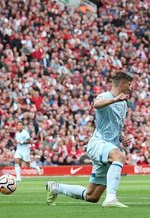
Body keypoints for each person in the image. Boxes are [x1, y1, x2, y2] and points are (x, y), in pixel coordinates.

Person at [46, 72, 133, 207]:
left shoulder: (123, 104)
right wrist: (115, 100)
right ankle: (111, 199)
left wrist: (122, 138)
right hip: (98, 143)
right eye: (129, 84)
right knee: (120, 157)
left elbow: (115, 125)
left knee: (92, 196)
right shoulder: (105, 96)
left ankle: (56, 187)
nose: (130, 88)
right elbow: (96, 104)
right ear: (121, 84)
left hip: (110, 146)